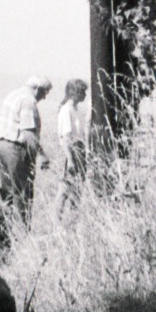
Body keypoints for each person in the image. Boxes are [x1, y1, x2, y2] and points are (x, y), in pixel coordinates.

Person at [0, 75, 51, 222]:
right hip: (16, 150)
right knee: (22, 194)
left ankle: (7, 236)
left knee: (8, 195)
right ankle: (23, 238)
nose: (44, 97)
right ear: (37, 88)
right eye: (45, 92)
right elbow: (28, 134)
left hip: (2, 147)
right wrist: (42, 156)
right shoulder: (28, 100)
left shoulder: (13, 95)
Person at [56, 78, 90, 213]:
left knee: (77, 189)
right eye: (82, 91)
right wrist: (70, 160)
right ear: (75, 92)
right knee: (64, 189)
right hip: (72, 152)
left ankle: (73, 222)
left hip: (79, 151)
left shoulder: (75, 109)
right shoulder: (66, 110)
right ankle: (57, 224)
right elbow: (66, 138)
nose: (85, 95)